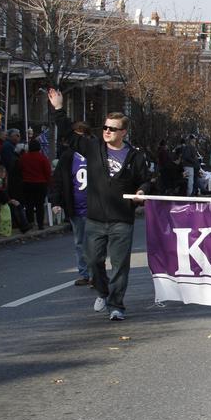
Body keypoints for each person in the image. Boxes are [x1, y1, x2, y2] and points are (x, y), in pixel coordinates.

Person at [50, 89, 152, 321]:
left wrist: (141, 192)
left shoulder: (135, 156)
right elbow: (68, 131)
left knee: (119, 266)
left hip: (121, 221)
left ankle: (116, 306)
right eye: (105, 127)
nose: (107, 131)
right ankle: (103, 292)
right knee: (93, 261)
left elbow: (145, 180)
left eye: (112, 129)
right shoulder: (93, 147)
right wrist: (58, 107)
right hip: (95, 220)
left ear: (123, 132)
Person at [51, 121, 91, 286]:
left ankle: (98, 273)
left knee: (95, 242)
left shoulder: (96, 153)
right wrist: (56, 201)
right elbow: (58, 180)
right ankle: (84, 273)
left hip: (95, 207)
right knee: (80, 242)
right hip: (76, 206)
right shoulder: (68, 157)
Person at [19, 139, 52, 231]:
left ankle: (30, 222)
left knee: (29, 204)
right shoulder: (42, 158)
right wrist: (48, 182)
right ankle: (40, 224)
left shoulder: (24, 157)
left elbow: (20, 169)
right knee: (39, 205)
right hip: (40, 183)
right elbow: (47, 172)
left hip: (27, 183)